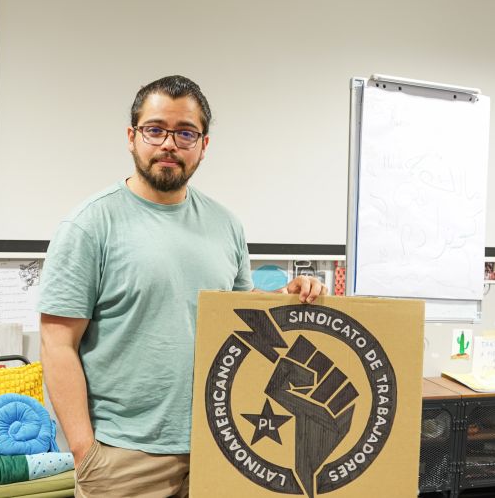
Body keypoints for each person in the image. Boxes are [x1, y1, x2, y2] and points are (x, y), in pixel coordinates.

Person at [37, 76, 326, 497]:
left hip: (225, 443)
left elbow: (239, 316)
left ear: (203, 145)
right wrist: (85, 452)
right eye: (155, 129)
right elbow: (57, 343)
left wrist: (288, 297)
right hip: (126, 457)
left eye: (185, 133)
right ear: (132, 137)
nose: (168, 143)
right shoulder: (90, 224)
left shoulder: (226, 224)